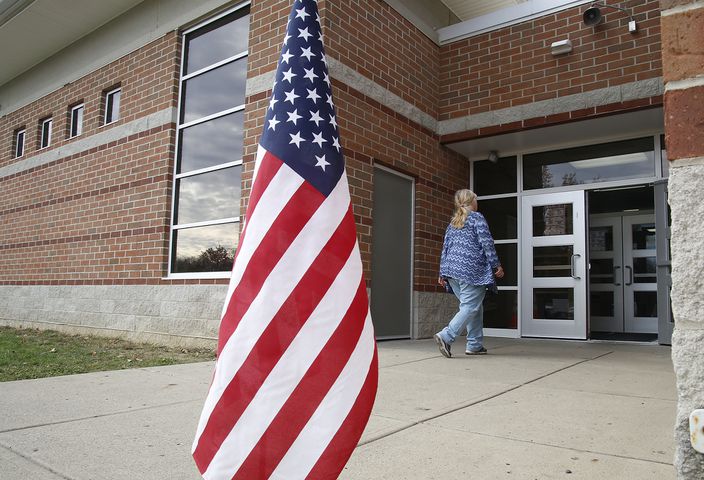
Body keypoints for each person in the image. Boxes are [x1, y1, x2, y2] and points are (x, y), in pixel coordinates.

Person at [434, 189, 504, 357]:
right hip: (471, 271)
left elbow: (445, 249)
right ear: (472, 201)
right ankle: (446, 336)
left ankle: (474, 345)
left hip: (452, 271)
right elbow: (486, 242)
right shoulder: (476, 218)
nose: (477, 203)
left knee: (474, 307)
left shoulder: (453, 222)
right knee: (470, 306)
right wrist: (496, 265)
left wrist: (442, 273)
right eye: (476, 200)